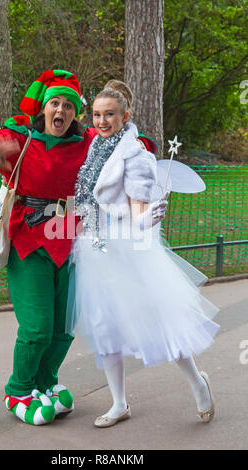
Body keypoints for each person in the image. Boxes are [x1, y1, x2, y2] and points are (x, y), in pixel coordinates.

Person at [0, 70, 165, 426]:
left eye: (68, 105)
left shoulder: (86, 140)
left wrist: (140, 148)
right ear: (43, 106)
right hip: (30, 242)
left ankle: (45, 383)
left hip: (73, 243)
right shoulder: (20, 137)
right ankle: (19, 389)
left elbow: (133, 142)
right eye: (55, 102)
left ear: (75, 113)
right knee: (37, 326)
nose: (61, 110)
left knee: (64, 326)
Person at [67, 80, 220, 428]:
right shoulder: (94, 149)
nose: (102, 121)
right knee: (105, 326)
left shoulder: (135, 155)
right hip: (95, 249)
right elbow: (88, 198)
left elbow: (137, 204)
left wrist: (143, 218)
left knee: (157, 319)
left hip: (127, 248)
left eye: (109, 115)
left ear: (125, 115)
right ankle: (119, 403)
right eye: (96, 115)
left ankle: (198, 383)